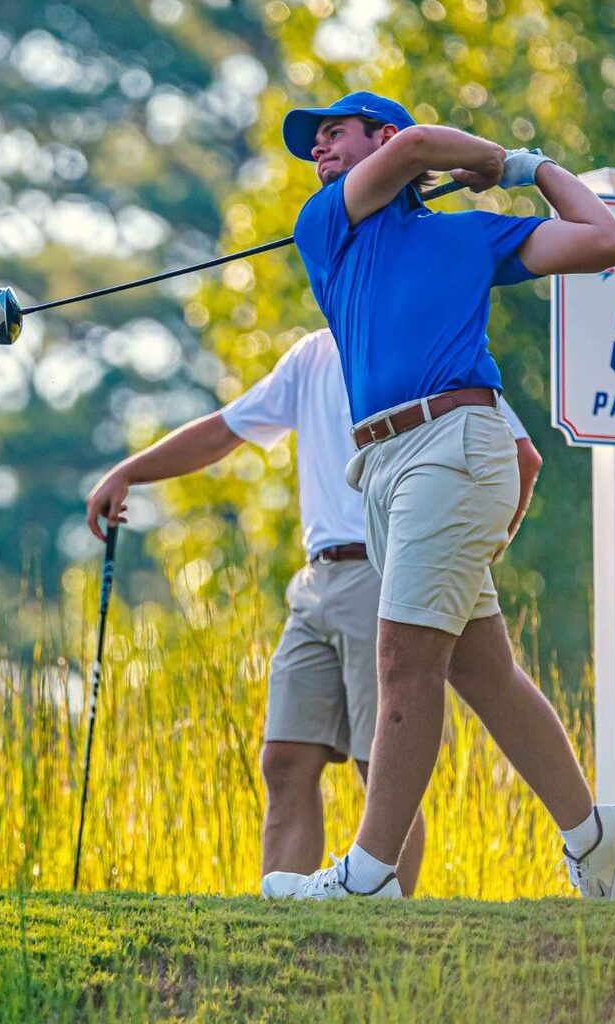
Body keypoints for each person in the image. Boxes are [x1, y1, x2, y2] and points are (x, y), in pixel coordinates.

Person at [260, 92, 615, 901]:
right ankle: (595, 833)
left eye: (336, 134)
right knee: (482, 668)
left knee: (403, 657)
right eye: (315, 144)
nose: (320, 151)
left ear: (382, 136)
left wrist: (524, 167)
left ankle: (368, 875)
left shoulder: (470, 236)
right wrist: (480, 161)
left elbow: (607, 240)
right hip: (385, 467)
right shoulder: (328, 225)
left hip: (455, 445)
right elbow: (422, 147)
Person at [85, 328, 543, 893]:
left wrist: (468, 557)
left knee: (383, 768)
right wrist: (130, 472)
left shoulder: (425, 340)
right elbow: (224, 430)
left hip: (387, 571)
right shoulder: (311, 354)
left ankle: (383, 923)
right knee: (284, 758)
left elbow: (521, 456)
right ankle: (285, 929)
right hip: (314, 583)